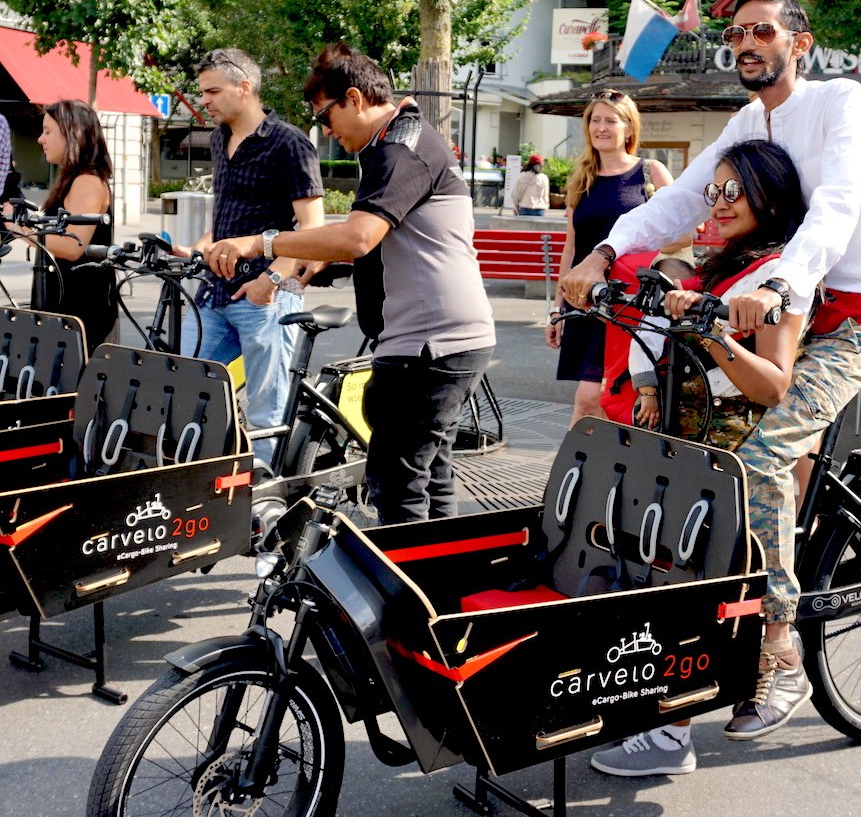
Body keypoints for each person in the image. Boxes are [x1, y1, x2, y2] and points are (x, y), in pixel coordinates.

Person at [562, 0, 861, 759]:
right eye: (737, 32)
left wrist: (780, 284)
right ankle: (689, 673)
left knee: (757, 458)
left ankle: (782, 647)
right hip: (788, 302)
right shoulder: (748, 123)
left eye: (763, 30)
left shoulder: (839, 101)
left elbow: (837, 205)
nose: (747, 42)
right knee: (697, 455)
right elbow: (681, 202)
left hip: (851, 320)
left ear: (801, 42)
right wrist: (605, 255)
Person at [205, 42, 495, 525]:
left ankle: (410, 594)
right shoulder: (400, 141)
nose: (326, 131)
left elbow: (359, 236)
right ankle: (442, 586)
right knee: (432, 476)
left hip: (431, 342)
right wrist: (309, 262)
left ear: (355, 99)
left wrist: (262, 245)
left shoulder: (400, 149)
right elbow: (371, 240)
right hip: (439, 337)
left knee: (397, 484)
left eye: (325, 116)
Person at [591, 139, 808, 776]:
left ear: (769, 199)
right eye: (713, 191)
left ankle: (766, 658)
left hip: (734, 451)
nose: (718, 203)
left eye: (733, 191)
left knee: (691, 582)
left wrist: (713, 333)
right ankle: (664, 721)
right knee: (658, 568)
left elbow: (772, 385)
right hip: (688, 448)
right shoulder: (711, 268)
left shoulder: (778, 276)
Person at [179, 48, 325, 466]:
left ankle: (265, 506)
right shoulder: (220, 139)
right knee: (186, 392)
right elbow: (226, 218)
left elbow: (312, 230)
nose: (204, 100)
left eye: (212, 91)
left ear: (245, 87)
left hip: (268, 298)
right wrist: (196, 248)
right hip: (213, 294)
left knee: (268, 414)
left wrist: (273, 280)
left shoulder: (290, 143)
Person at [546, 91, 672, 426]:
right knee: (590, 401)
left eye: (610, 120)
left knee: (608, 400)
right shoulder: (581, 178)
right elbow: (572, 247)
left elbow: (683, 230)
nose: (601, 127)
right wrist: (558, 308)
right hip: (586, 301)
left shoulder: (650, 173)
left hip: (631, 303)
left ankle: (599, 472)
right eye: (594, 120)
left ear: (629, 128)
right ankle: (579, 475)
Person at [33, 100, 118, 353]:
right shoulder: (74, 180)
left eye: (48, 132)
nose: (40, 139)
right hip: (68, 312)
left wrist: (23, 230)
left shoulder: (87, 181)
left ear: (72, 134)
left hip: (82, 315)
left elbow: (72, 246)